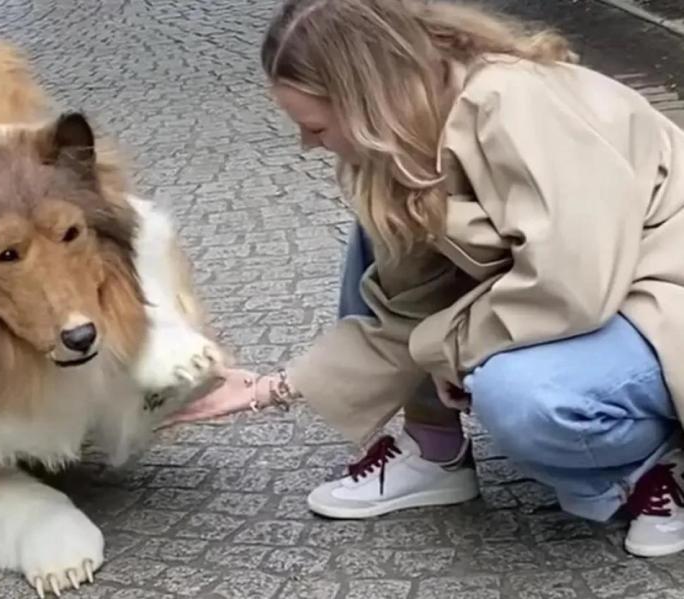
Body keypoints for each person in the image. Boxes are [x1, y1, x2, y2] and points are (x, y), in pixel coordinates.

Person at [164, 0, 684, 557]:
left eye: (315, 125)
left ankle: (651, 465)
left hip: (661, 293)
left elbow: (572, 285)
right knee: (381, 237)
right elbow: (405, 305)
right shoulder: (409, 145)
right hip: (599, 294)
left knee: (525, 396)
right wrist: (274, 387)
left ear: (368, 101)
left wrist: (449, 346)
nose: (308, 144)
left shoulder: (515, 102)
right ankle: (434, 450)